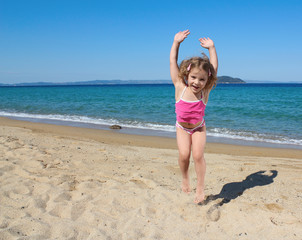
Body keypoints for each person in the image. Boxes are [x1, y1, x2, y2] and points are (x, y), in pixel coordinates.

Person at [170, 29, 218, 204]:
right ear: (187, 76)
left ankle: (200, 187)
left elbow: (213, 67)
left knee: (198, 156)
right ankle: (184, 177)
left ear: (208, 80)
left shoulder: (205, 92)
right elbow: (172, 61)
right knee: (184, 155)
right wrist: (176, 43)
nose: (197, 82)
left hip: (199, 127)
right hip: (182, 128)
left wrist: (212, 48)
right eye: (193, 77)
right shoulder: (179, 87)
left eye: (202, 79)